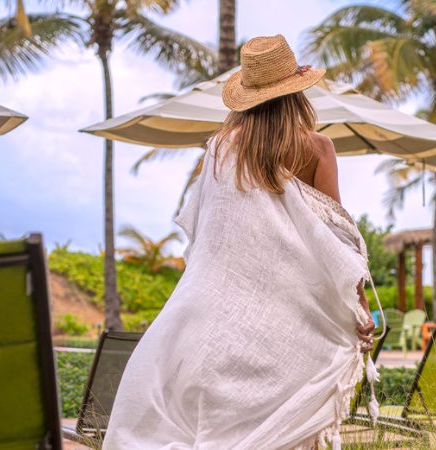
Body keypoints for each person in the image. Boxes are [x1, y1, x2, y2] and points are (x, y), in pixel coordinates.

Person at [104, 35, 381, 450]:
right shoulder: (316, 148)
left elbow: (209, 239)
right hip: (285, 329)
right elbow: (337, 242)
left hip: (209, 323)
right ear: (297, 91)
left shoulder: (220, 149)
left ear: (247, 96)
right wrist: (358, 308)